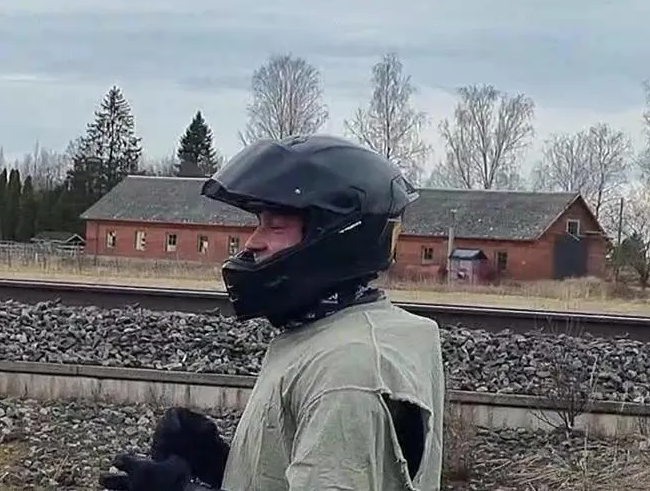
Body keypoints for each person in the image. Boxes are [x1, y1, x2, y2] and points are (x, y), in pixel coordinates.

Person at [100, 135, 446, 491]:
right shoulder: (344, 332)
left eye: (275, 226)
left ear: (335, 240)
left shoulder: (349, 371)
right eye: (259, 223)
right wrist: (218, 465)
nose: (253, 242)